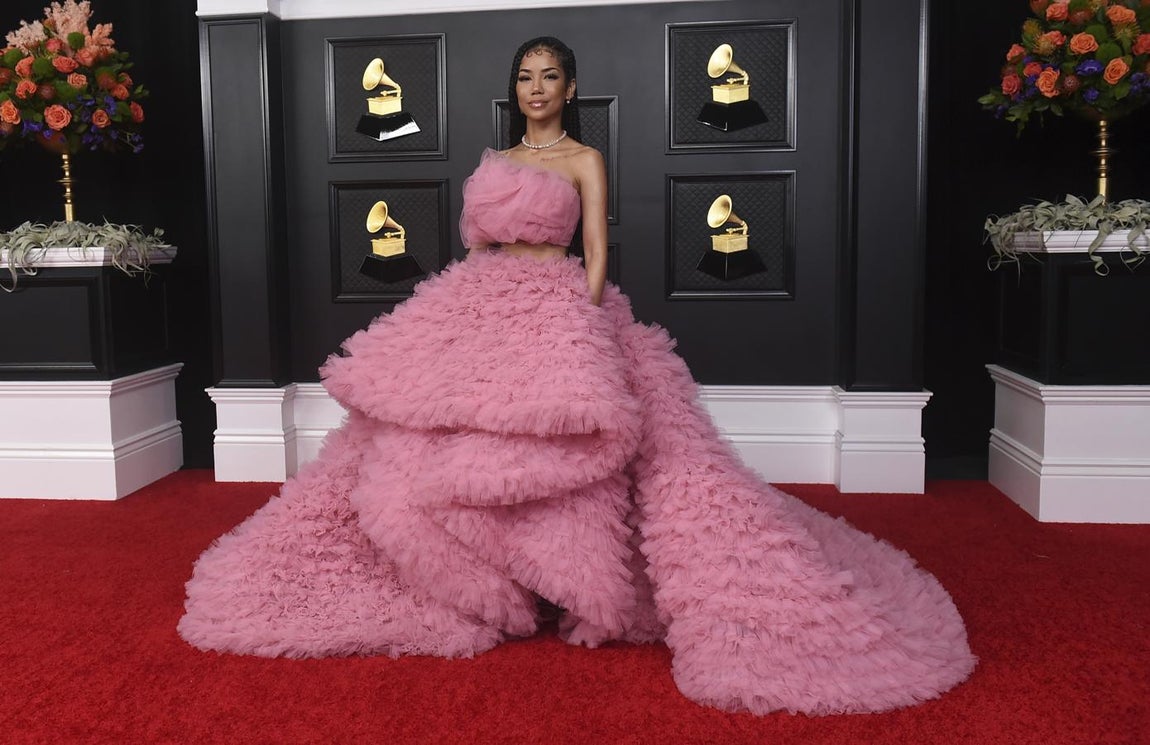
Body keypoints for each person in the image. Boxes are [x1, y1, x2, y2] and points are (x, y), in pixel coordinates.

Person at [179, 37, 976, 716]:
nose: (534, 90)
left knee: (587, 437)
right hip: (487, 303)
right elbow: (478, 246)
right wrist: (470, 325)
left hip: (563, 305)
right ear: (515, 90)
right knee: (417, 444)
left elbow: (594, 249)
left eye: (548, 77)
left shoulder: (585, 158)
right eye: (524, 78)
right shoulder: (497, 161)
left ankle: (563, 577)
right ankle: (485, 579)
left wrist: (582, 323)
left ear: (569, 88)